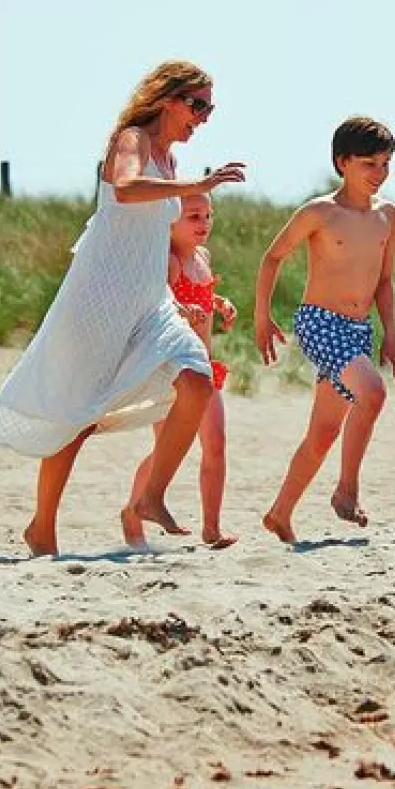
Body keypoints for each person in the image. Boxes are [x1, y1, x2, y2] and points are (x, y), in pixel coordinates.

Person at [0, 60, 246, 553]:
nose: (202, 117)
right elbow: (127, 187)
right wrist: (195, 187)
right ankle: (42, 527)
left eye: (210, 108)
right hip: (99, 299)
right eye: (196, 105)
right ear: (166, 98)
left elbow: (161, 230)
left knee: (197, 382)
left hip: (149, 301)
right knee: (76, 418)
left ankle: (151, 497)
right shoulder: (132, 139)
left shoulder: (173, 161)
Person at [255, 116, 395, 544]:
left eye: (385, 164)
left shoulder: (389, 216)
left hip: (359, 329)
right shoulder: (321, 212)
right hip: (320, 323)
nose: (378, 174)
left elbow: (384, 281)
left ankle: (279, 513)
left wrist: (390, 334)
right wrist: (262, 317)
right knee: (372, 394)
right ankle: (346, 489)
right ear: (342, 162)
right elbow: (272, 257)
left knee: (321, 434)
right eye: (368, 164)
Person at [126, 191, 238, 548]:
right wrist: (181, 306)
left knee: (216, 444)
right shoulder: (169, 260)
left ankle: (212, 528)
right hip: (173, 372)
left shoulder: (202, 256)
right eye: (193, 217)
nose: (203, 224)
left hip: (205, 367)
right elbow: (154, 302)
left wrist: (217, 303)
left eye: (208, 215)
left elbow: (201, 292)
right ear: (170, 221)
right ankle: (132, 513)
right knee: (165, 451)